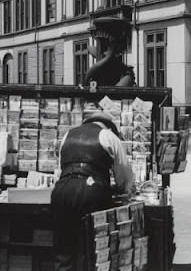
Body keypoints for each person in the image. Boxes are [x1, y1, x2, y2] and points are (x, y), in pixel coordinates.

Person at [51, 109, 134, 271]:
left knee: (64, 250)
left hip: (62, 190)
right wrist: (121, 189)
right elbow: (125, 178)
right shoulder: (108, 136)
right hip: (91, 192)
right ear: (109, 127)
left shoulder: (68, 135)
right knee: (91, 249)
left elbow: (61, 167)